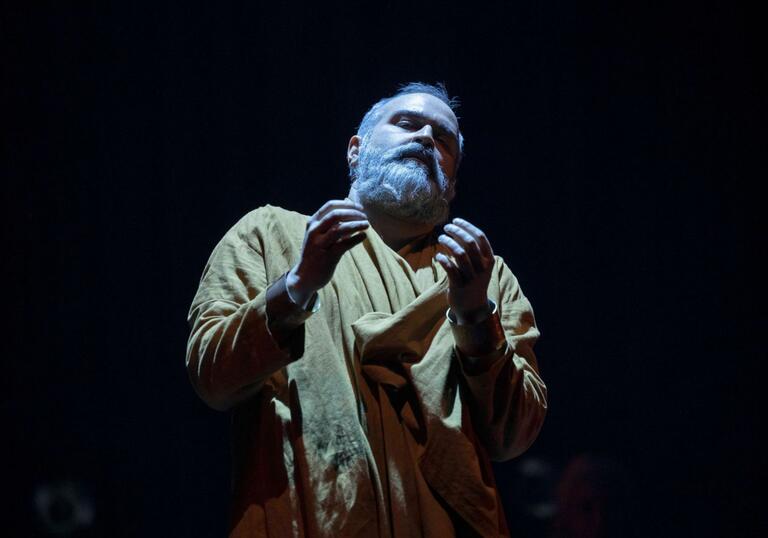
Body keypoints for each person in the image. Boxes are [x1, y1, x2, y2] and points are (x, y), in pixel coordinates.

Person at [186, 82, 547, 537]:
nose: (424, 139)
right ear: (355, 150)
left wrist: (475, 316)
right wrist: (298, 284)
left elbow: (514, 435)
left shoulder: (484, 274)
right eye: (406, 124)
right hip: (311, 517)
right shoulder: (273, 235)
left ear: (451, 186)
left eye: (443, 139)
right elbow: (212, 377)